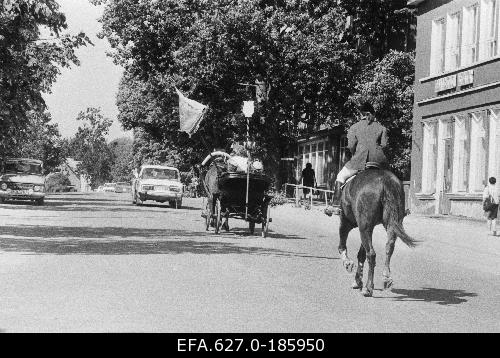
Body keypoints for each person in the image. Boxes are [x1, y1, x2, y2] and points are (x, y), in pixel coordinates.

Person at [325, 101, 389, 216]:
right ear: (372, 114)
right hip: (379, 162)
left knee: (341, 176)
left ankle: (335, 205)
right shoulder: (382, 128)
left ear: (361, 114)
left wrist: (356, 153)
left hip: (359, 161)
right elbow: (384, 145)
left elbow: (350, 146)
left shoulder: (354, 127)